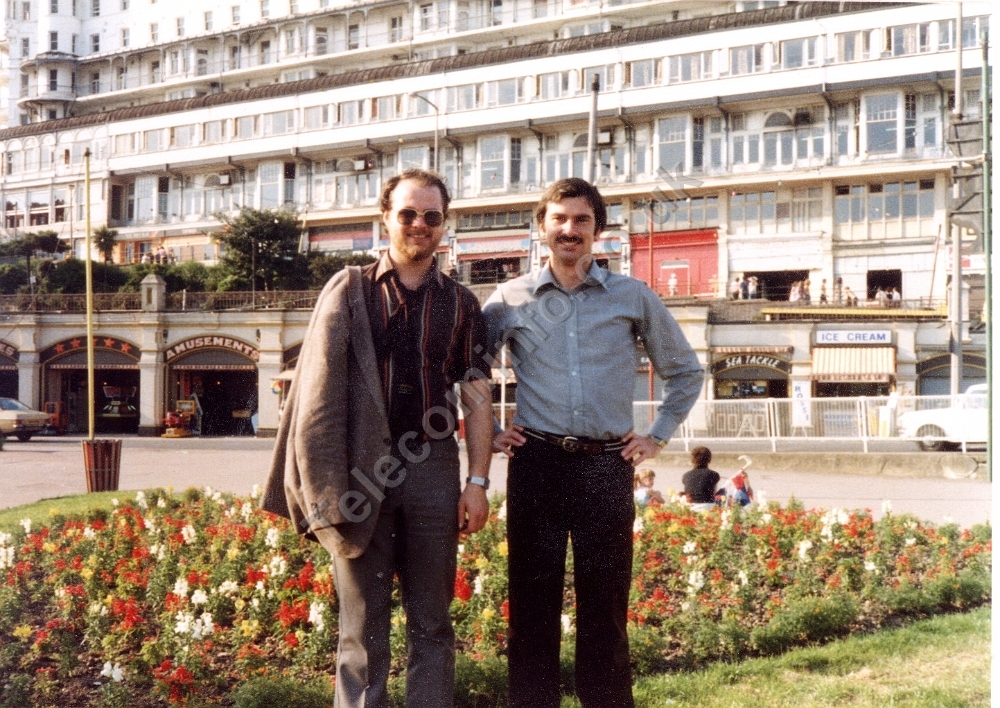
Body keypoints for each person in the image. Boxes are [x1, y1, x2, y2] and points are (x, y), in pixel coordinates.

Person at [261, 168, 495, 708]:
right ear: (385, 219)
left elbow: (477, 394)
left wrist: (478, 481)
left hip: (434, 468)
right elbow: (317, 395)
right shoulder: (351, 291)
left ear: (444, 226)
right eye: (407, 214)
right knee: (361, 629)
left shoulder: (462, 304)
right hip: (360, 467)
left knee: (433, 623)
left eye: (431, 216)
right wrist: (322, 484)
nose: (419, 224)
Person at [484, 178, 703, 708]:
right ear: (541, 227)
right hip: (535, 463)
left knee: (604, 608)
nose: (569, 230)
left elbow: (685, 372)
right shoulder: (508, 299)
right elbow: (467, 374)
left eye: (581, 220)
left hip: (605, 468)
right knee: (532, 604)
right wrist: (489, 429)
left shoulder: (632, 296)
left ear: (597, 230)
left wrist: (656, 436)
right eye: (558, 219)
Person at [681, 446, 720, 512]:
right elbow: (714, 493)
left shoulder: (686, 475)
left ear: (692, 460)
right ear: (709, 459)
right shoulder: (714, 474)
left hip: (690, 508)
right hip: (708, 507)